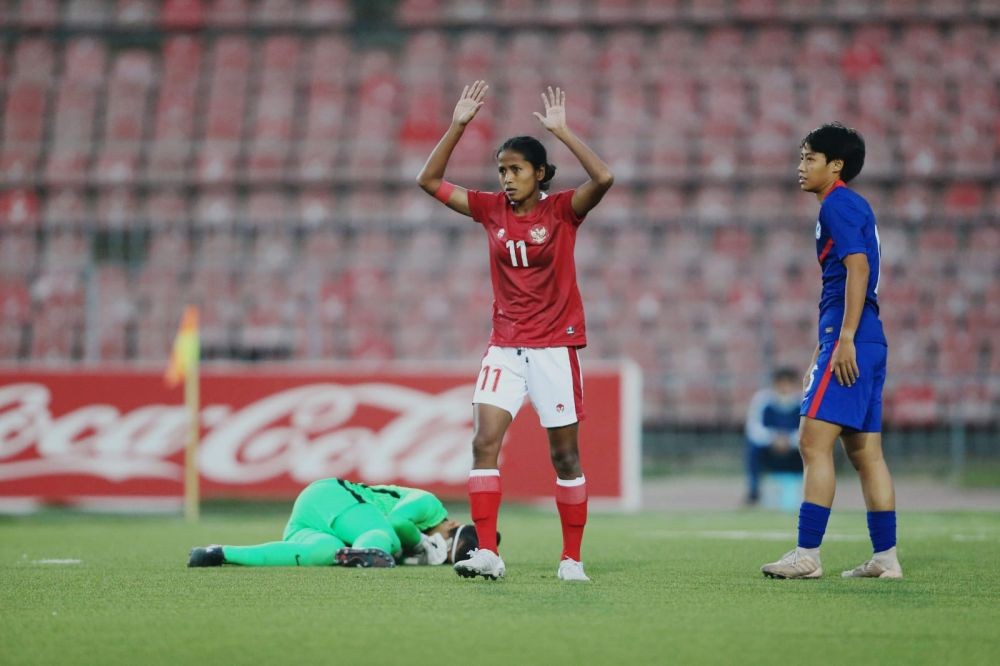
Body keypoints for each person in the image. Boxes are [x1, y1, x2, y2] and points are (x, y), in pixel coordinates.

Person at [416, 82, 614, 582]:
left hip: (554, 348)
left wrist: (564, 132)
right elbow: (429, 180)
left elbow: (606, 176)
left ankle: (572, 559)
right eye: (502, 170)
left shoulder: (563, 211)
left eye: (516, 169)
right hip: (505, 348)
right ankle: (488, 553)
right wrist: (458, 124)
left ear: (540, 173)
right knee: (484, 443)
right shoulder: (489, 210)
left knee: (564, 455)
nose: (506, 179)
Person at [761, 123, 902, 580]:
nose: (800, 167)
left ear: (834, 165)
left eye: (809, 158)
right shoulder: (854, 204)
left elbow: (857, 268)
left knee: (811, 442)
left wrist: (841, 340)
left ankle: (807, 555)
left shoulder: (838, 204)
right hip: (870, 337)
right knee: (866, 454)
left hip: (853, 338)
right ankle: (886, 559)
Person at [187, 478, 488, 568]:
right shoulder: (430, 504)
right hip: (334, 496)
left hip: (312, 520)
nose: (439, 553)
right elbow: (396, 524)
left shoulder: (428, 522)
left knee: (319, 554)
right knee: (385, 538)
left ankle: (219, 553)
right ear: (451, 525)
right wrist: (418, 542)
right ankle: (365, 552)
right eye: (446, 545)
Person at [744, 367, 803, 506]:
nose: (784, 387)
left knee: (814, 451)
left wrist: (790, 440)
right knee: (753, 450)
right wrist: (774, 439)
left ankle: (813, 492)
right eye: (781, 383)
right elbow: (754, 428)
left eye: (788, 383)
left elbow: (809, 430)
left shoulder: (802, 401)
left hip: (795, 450)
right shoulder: (763, 400)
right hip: (769, 449)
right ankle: (754, 491)